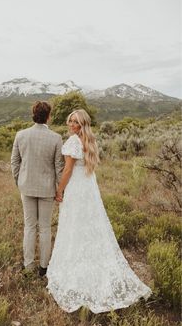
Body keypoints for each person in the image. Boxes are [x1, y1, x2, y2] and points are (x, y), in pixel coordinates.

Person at [46, 109, 152, 313]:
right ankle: (87, 260)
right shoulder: (90, 140)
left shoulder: (72, 142)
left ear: (82, 124)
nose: (70, 124)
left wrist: (60, 190)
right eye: (70, 121)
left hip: (77, 187)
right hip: (88, 186)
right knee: (88, 224)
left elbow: (67, 170)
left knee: (74, 223)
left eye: (75, 122)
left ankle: (75, 264)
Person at [11, 101, 64, 277]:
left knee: (29, 226)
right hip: (47, 189)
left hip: (26, 187)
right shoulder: (56, 138)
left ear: (33, 114)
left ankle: (28, 265)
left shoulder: (21, 135)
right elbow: (58, 167)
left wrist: (19, 181)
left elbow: (14, 162)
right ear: (48, 116)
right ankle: (44, 267)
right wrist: (60, 189)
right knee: (45, 228)